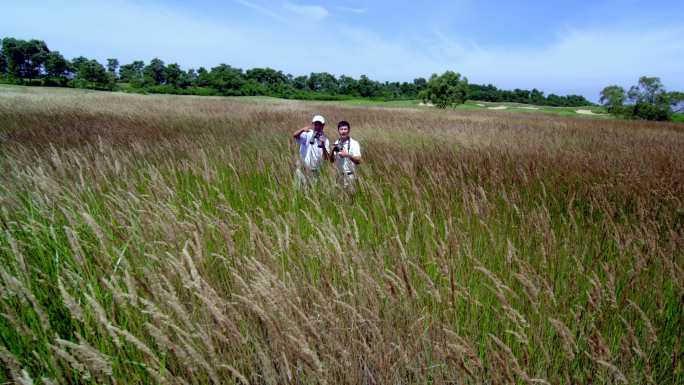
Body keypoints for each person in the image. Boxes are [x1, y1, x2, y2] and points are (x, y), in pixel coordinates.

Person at [292, 114, 330, 186]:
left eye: (320, 125)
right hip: (302, 169)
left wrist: (323, 145)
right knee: (298, 190)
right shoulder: (308, 134)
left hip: (315, 171)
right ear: (313, 124)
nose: (317, 127)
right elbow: (295, 135)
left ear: (323, 125)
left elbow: (327, 157)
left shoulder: (325, 140)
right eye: (316, 124)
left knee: (311, 191)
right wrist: (302, 129)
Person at [330, 120, 361, 190]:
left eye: (345, 129)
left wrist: (347, 155)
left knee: (351, 198)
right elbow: (332, 161)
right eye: (341, 129)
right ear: (338, 131)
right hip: (339, 176)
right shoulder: (336, 143)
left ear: (349, 130)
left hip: (350, 176)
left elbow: (358, 161)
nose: (343, 131)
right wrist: (331, 151)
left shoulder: (354, 143)